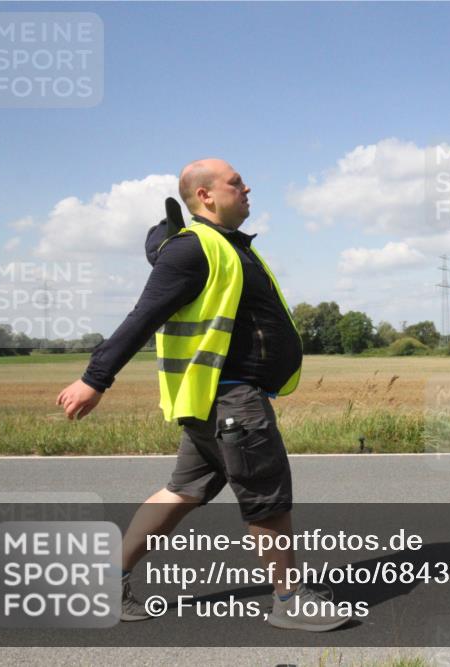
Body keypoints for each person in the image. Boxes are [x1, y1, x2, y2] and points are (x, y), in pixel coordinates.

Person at [56, 158, 350, 632]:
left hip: (212, 401)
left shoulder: (224, 247)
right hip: (230, 400)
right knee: (267, 494)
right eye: (236, 182)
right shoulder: (195, 250)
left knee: (181, 491)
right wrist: (95, 378)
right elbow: (142, 317)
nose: (247, 187)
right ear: (205, 196)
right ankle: (289, 599)